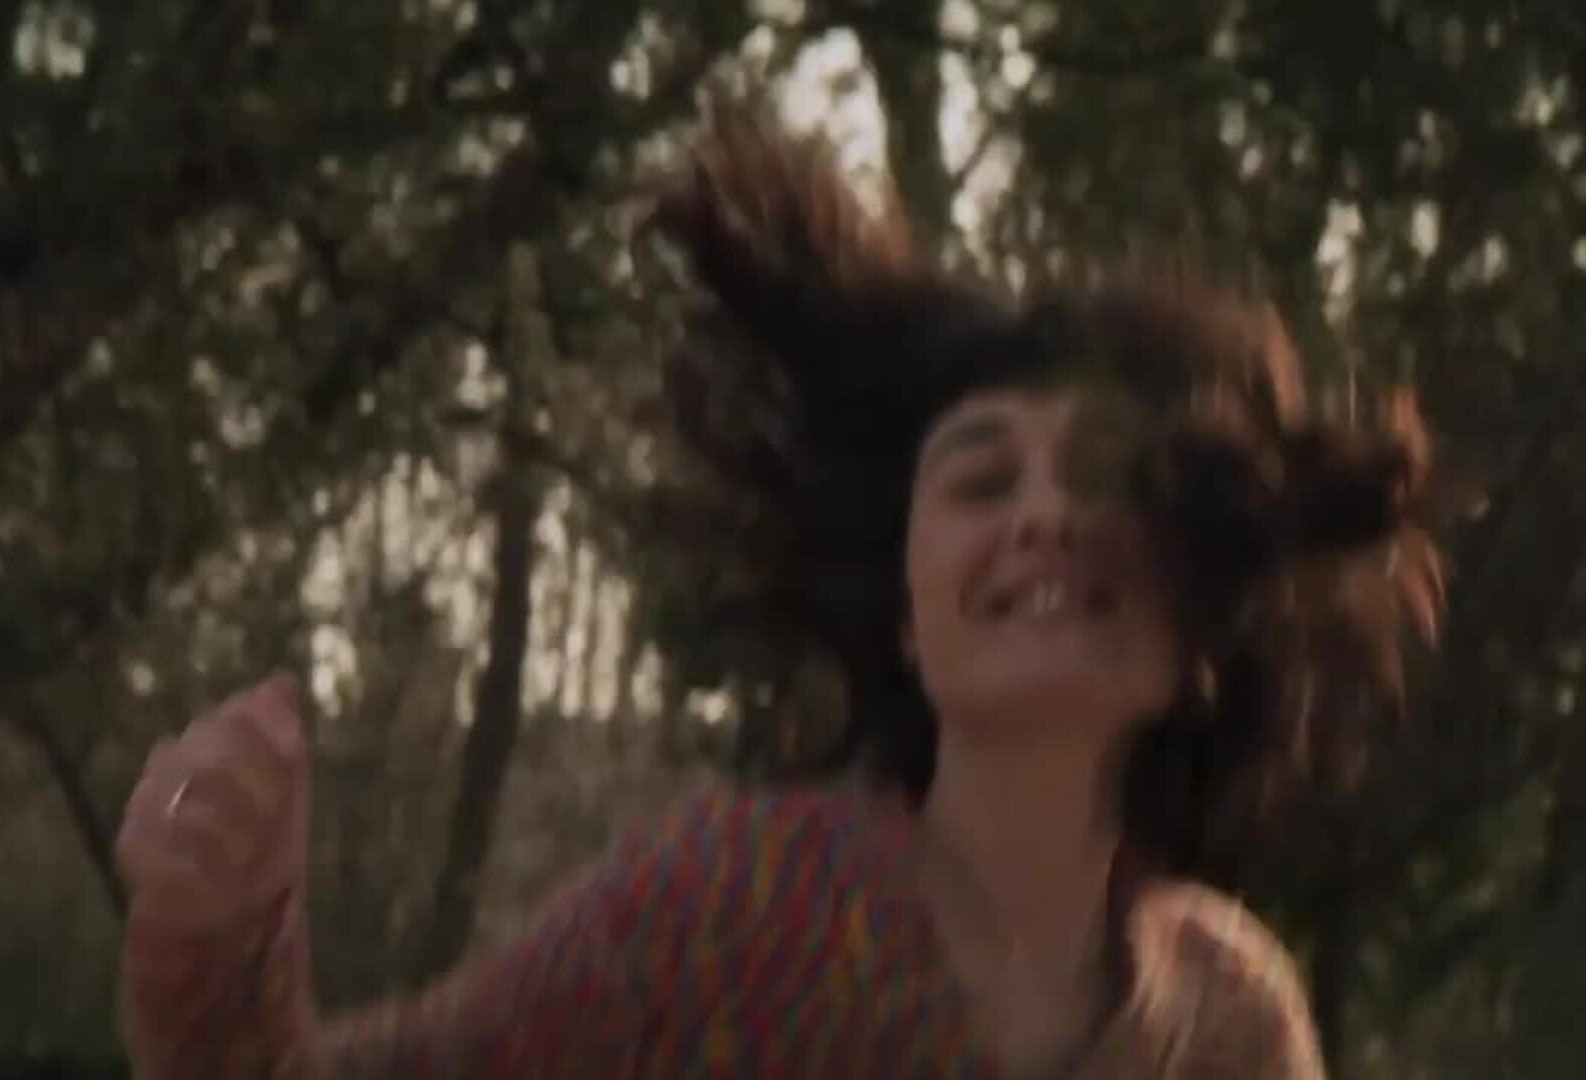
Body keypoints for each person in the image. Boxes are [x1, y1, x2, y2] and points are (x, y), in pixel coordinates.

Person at [113, 106, 1446, 1077]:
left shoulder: (1235, 1021)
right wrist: (216, 930)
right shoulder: (739, 907)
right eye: (982, 481)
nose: (1044, 514)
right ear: (905, 614)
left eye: (1107, 479)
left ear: (1205, 620)